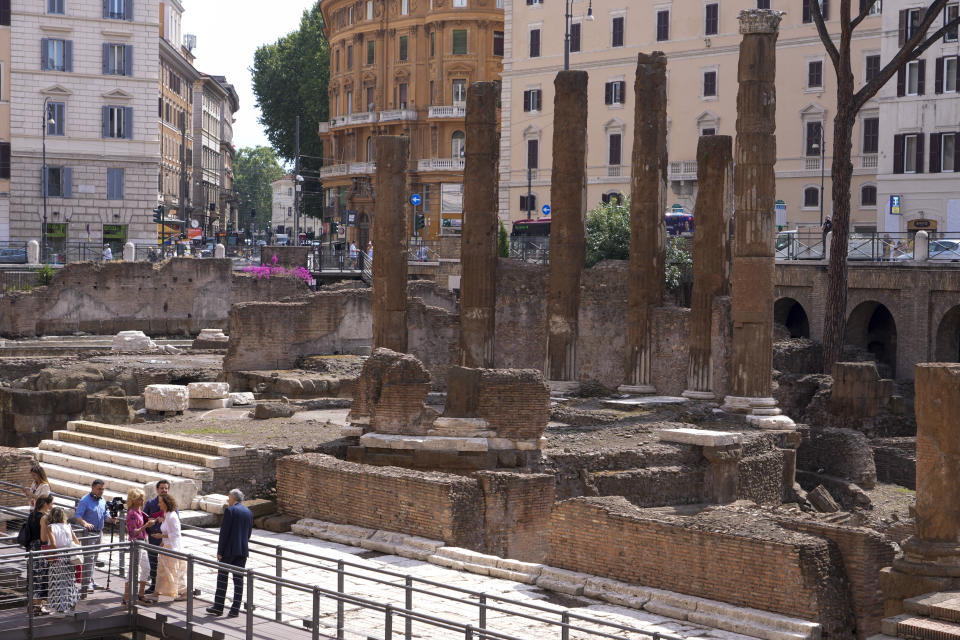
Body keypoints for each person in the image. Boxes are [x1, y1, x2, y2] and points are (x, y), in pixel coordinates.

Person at [207, 489, 253, 617]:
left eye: (229, 497)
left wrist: (220, 551)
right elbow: (248, 533)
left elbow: (224, 533)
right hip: (242, 551)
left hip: (228, 551)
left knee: (222, 578)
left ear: (234, 498)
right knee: (238, 581)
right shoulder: (248, 512)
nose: (228, 500)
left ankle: (218, 607)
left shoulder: (230, 510)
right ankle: (235, 610)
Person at [72, 479, 115, 597]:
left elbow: (105, 515)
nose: (101, 491)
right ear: (92, 488)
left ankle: (91, 580)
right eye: (99, 489)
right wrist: (85, 523)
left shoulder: (103, 501)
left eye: (102, 489)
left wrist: (111, 519)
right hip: (88, 533)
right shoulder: (84, 500)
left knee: (94, 558)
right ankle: (86, 585)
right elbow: (77, 516)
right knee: (88, 559)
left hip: (99, 532)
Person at [44, 507, 80, 614]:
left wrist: (50, 555)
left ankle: (60, 611)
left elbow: (54, 544)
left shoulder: (50, 527)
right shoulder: (68, 526)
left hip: (57, 556)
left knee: (57, 583)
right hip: (68, 556)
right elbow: (77, 542)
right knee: (70, 582)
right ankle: (72, 607)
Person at [124, 488, 155, 605]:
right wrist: (146, 525)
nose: (143, 501)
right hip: (136, 543)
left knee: (146, 568)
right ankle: (126, 598)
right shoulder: (132, 513)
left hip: (142, 542)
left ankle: (140, 594)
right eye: (140, 499)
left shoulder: (139, 511)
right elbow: (133, 532)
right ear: (134, 500)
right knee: (132, 570)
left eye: (142, 498)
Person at [25, 495, 54, 615]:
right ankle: (38, 606)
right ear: (45, 504)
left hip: (31, 549)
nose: (52, 506)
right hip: (40, 550)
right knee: (40, 577)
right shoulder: (44, 518)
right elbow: (43, 538)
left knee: (32, 576)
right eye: (51, 503)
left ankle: (31, 604)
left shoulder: (31, 515)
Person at [154, 493, 186, 600]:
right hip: (166, 546)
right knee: (164, 570)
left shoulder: (172, 516)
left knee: (174, 570)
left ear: (166, 503)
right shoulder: (167, 515)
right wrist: (162, 542)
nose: (159, 504)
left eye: (160, 502)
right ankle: (159, 591)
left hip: (172, 548)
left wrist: (161, 535)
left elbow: (176, 534)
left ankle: (183, 592)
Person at [144, 479, 171, 595]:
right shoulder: (150, 503)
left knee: (167, 563)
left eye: (166, 488)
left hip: (166, 538)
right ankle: (154, 585)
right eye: (162, 488)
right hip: (153, 537)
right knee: (153, 562)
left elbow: (176, 522)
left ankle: (166, 587)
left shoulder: (172, 504)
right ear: (157, 490)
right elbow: (144, 519)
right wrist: (150, 521)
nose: (164, 490)